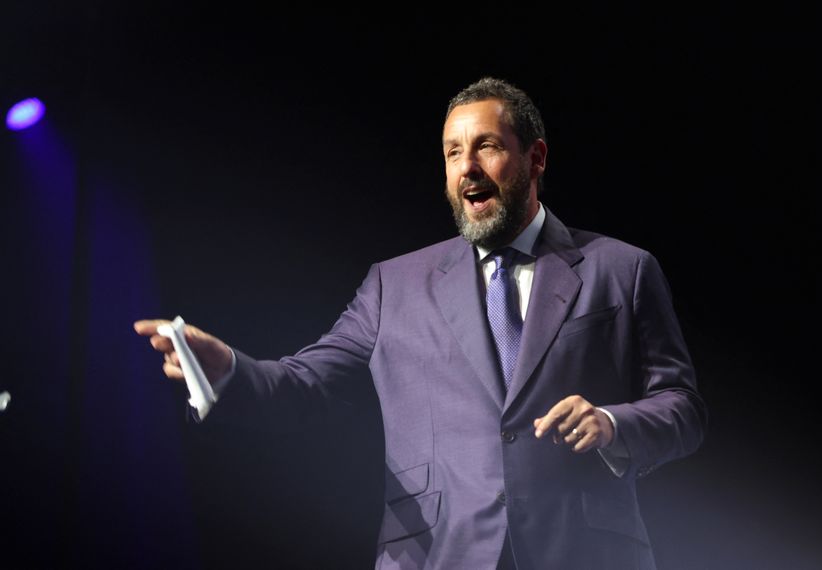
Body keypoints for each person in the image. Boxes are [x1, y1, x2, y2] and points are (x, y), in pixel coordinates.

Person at [135, 77, 706, 570]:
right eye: (453, 153)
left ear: (536, 159)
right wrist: (228, 370)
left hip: (584, 552)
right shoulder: (394, 286)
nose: (468, 168)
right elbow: (304, 383)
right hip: (438, 554)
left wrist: (611, 422)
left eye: (486, 147)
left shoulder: (620, 269)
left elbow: (682, 407)